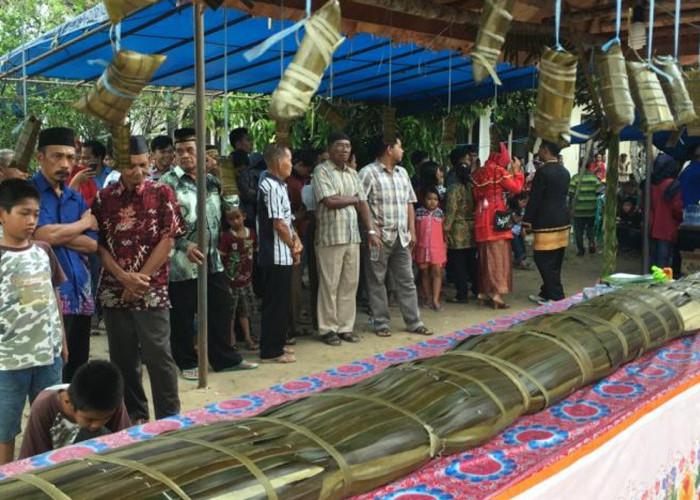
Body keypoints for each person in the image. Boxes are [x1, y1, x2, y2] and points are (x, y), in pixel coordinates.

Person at [92, 135, 184, 423]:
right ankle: (135, 418)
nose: (139, 171)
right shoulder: (102, 198)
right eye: (131, 166)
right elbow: (98, 245)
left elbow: (168, 240)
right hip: (114, 290)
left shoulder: (162, 193)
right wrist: (122, 278)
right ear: (119, 165)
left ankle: (169, 420)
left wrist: (139, 279)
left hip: (151, 288)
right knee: (123, 361)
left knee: (159, 357)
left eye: (143, 165)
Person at [161, 128, 258, 380]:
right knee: (182, 314)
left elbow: (232, 209)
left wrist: (223, 175)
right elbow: (163, 225)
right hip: (181, 261)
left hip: (212, 259)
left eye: (191, 150)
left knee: (219, 308)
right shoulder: (167, 183)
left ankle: (224, 359)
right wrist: (184, 245)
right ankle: (186, 361)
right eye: (180, 151)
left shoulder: (212, 181)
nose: (185, 156)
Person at [0, 179, 67, 464]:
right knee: (5, 427)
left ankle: (46, 474)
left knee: (53, 421)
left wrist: (62, 340)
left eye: (36, 214)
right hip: (7, 362)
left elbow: (53, 296)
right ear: (2, 214)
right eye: (23, 213)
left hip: (47, 357)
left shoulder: (43, 251)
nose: (31, 220)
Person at [31, 127, 98, 383]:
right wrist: (82, 224)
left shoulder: (74, 197)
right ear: (40, 157)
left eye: (70, 158)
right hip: (48, 297)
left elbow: (92, 246)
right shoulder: (29, 194)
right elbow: (42, 236)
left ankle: (75, 422)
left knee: (79, 370)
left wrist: (59, 235)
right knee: (52, 370)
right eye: (57, 156)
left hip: (81, 294)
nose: (65, 164)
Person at [359, 136, 432, 337]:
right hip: (379, 238)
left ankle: (414, 322)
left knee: (407, 280)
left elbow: (409, 202)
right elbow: (361, 202)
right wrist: (371, 230)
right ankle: (381, 322)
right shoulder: (367, 173)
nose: (403, 150)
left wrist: (412, 231)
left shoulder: (403, 173)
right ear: (389, 149)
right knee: (377, 281)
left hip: (401, 236)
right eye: (400, 146)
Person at [311, 133, 378, 346]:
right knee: (330, 284)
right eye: (339, 146)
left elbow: (363, 204)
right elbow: (330, 200)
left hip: (352, 236)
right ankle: (328, 328)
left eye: (348, 146)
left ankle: (345, 327)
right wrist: (353, 199)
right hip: (331, 237)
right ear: (329, 149)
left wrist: (371, 230)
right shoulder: (321, 171)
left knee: (350, 283)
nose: (345, 150)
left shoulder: (352, 173)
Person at [18, 360, 131, 460]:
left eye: (106, 418)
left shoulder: (112, 399)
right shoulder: (44, 407)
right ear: (68, 401)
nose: (97, 425)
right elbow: (32, 460)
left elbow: (126, 444)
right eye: (90, 419)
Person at [257, 144, 302, 363]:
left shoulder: (279, 184)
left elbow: (287, 219)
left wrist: (296, 241)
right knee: (274, 303)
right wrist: (293, 244)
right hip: (274, 252)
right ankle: (270, 350)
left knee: (281, 302)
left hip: (283, 251)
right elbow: (278, 224)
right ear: (278, 162)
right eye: (289, 160)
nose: (291, 165)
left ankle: (278, 344)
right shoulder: (270, 186)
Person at [471, 142, 524, 309]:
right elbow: (516, 188)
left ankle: (483, 291)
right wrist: (517, 172)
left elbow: (475, 193)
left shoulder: (479, 172)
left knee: (485, 255)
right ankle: (497, 294)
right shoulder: (498, 171)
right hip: (497, 217)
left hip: (481, 216)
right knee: (499, 255)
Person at [524, 140, 571, 305]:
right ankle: (546, 292)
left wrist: (526, 222)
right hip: (563, 220)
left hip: (546, 222)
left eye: (540, 151)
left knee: (542, 259)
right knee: (556, 259)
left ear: (545, 151)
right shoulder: (565, 171)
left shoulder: (543, 172)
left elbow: (535, 200)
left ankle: (557, 296)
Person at [218, 206, 258, 351]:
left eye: (237, 217)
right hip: (231, 281)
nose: (235, 221)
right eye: (231, 219)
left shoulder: (251, 234)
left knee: (245, 311)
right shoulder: (227, 237)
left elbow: (253, 252)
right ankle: (232, 340)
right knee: (231, 313)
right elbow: (222, 257)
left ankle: (247, 337)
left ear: (244, 216)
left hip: (246, 280)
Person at [444, 156, 478, 304]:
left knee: (458, 263)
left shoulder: (453, 189)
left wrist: (445, 229)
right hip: (472, 226)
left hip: (457, 228)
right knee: (471, 261)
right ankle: (477, 289)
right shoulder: (473, 187)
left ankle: (461, 294)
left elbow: (451, 211)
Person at [413, 188, 447, 310]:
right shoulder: (418, 213)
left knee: (437, 273)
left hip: (437, 249)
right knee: (425, 273)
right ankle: (428, 298)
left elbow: (444, 233)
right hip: (422, 248)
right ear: (424, 200)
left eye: (435, 199)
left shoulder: (441, 214)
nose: (432, 202)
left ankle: (435, 300)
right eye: (429, 199)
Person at [650, 153, 683, 268]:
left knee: (653, 262)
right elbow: (677, 209)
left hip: (651, 228)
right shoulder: (673, 185)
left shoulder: (651, 184)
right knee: (663, 264)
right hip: (667, 229)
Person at [67, 140, 112, 208]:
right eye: (81, 158)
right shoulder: (79, 176)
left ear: (99, 158)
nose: (82, 162)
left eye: (86, 158)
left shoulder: (113, 176)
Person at [569, 166, 602, 256]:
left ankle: (581, 250)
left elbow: (570, 192)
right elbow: (600, 191)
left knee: (578, 230)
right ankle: (591, 242)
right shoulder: (594, 178)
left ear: (580, 167)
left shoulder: (575, 178)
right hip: (591, 208)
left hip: (578, 209)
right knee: (590, 227)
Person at [509, 192, 533, 270]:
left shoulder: (521, 209)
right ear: (518, 200)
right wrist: (524, 217)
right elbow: (515, 220)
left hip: (517, 230)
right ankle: (520, 259)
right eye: (523, 202)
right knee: (515, 239)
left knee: (520, 239)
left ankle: (521, 258)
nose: (525, 204)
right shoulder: (511, 208)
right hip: (511, 230)